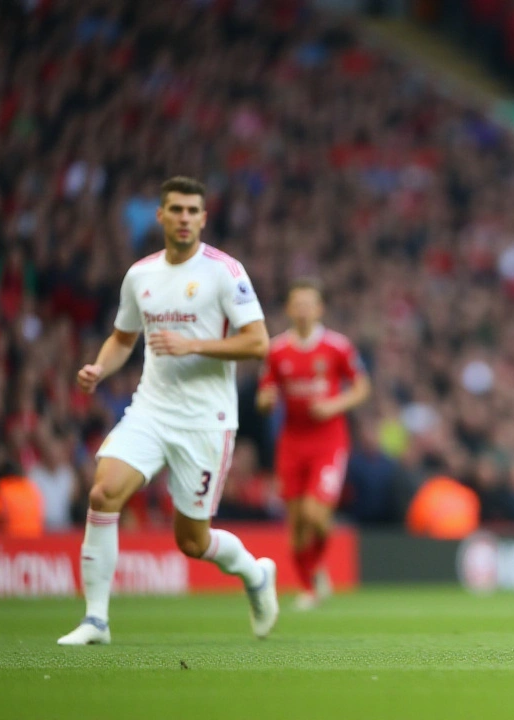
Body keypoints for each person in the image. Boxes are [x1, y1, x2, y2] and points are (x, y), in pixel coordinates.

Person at [57, 176, 278, 646]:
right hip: (151, 410)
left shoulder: (225, 271)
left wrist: (192, 344)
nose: (183, 218)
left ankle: (256, 575)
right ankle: (96, 620)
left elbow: (258, 342)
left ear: (203, 217)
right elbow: (122, 338)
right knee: (103, 493)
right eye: (175, 209)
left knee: (192, 542)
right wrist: (99, 366)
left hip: (206, 420)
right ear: (160, 215)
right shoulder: (141, 275)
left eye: (192, 211)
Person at [257, 278, 370, 610]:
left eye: (309, 303)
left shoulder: (338, 346)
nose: (304, 310)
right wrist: (265, 401)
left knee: (315, 516)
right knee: (296, 523)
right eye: (298, 304)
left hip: (329, 441)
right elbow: (265, 393)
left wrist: (334, 406)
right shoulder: (277, 350)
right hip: (291, 442)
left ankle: (315, 572)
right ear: (289, 309)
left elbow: (362, 387)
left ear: (319, 309)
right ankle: (310, 583)